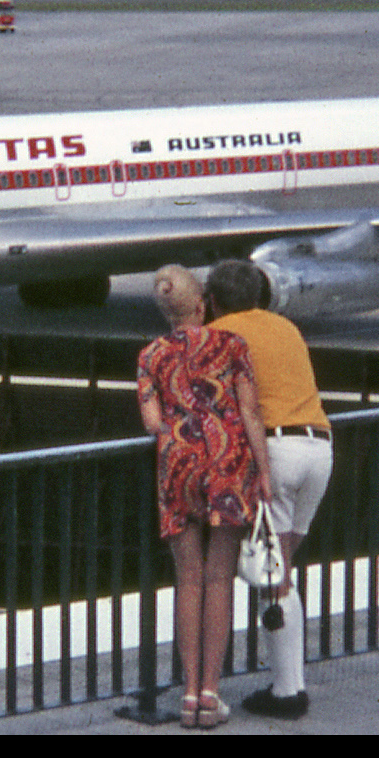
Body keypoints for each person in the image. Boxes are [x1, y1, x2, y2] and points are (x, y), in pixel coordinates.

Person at [137, 264, 272, 729]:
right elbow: (251, 412)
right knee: (220, 578)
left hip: (178, 465)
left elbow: (152, 422)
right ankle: (212, 693)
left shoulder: (150, 355)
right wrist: (265, 473)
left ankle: (188, 693)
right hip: (228, 460)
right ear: (202, 306)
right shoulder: (232, 345)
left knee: (187, 578)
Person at [206, 259, 332, 719]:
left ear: (214, 301)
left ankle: (288, 692)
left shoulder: (222, 336)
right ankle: (288, 683)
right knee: (283, 565)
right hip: (319, 447)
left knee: (273, 575)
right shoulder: (287, 327)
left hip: (276, 452)